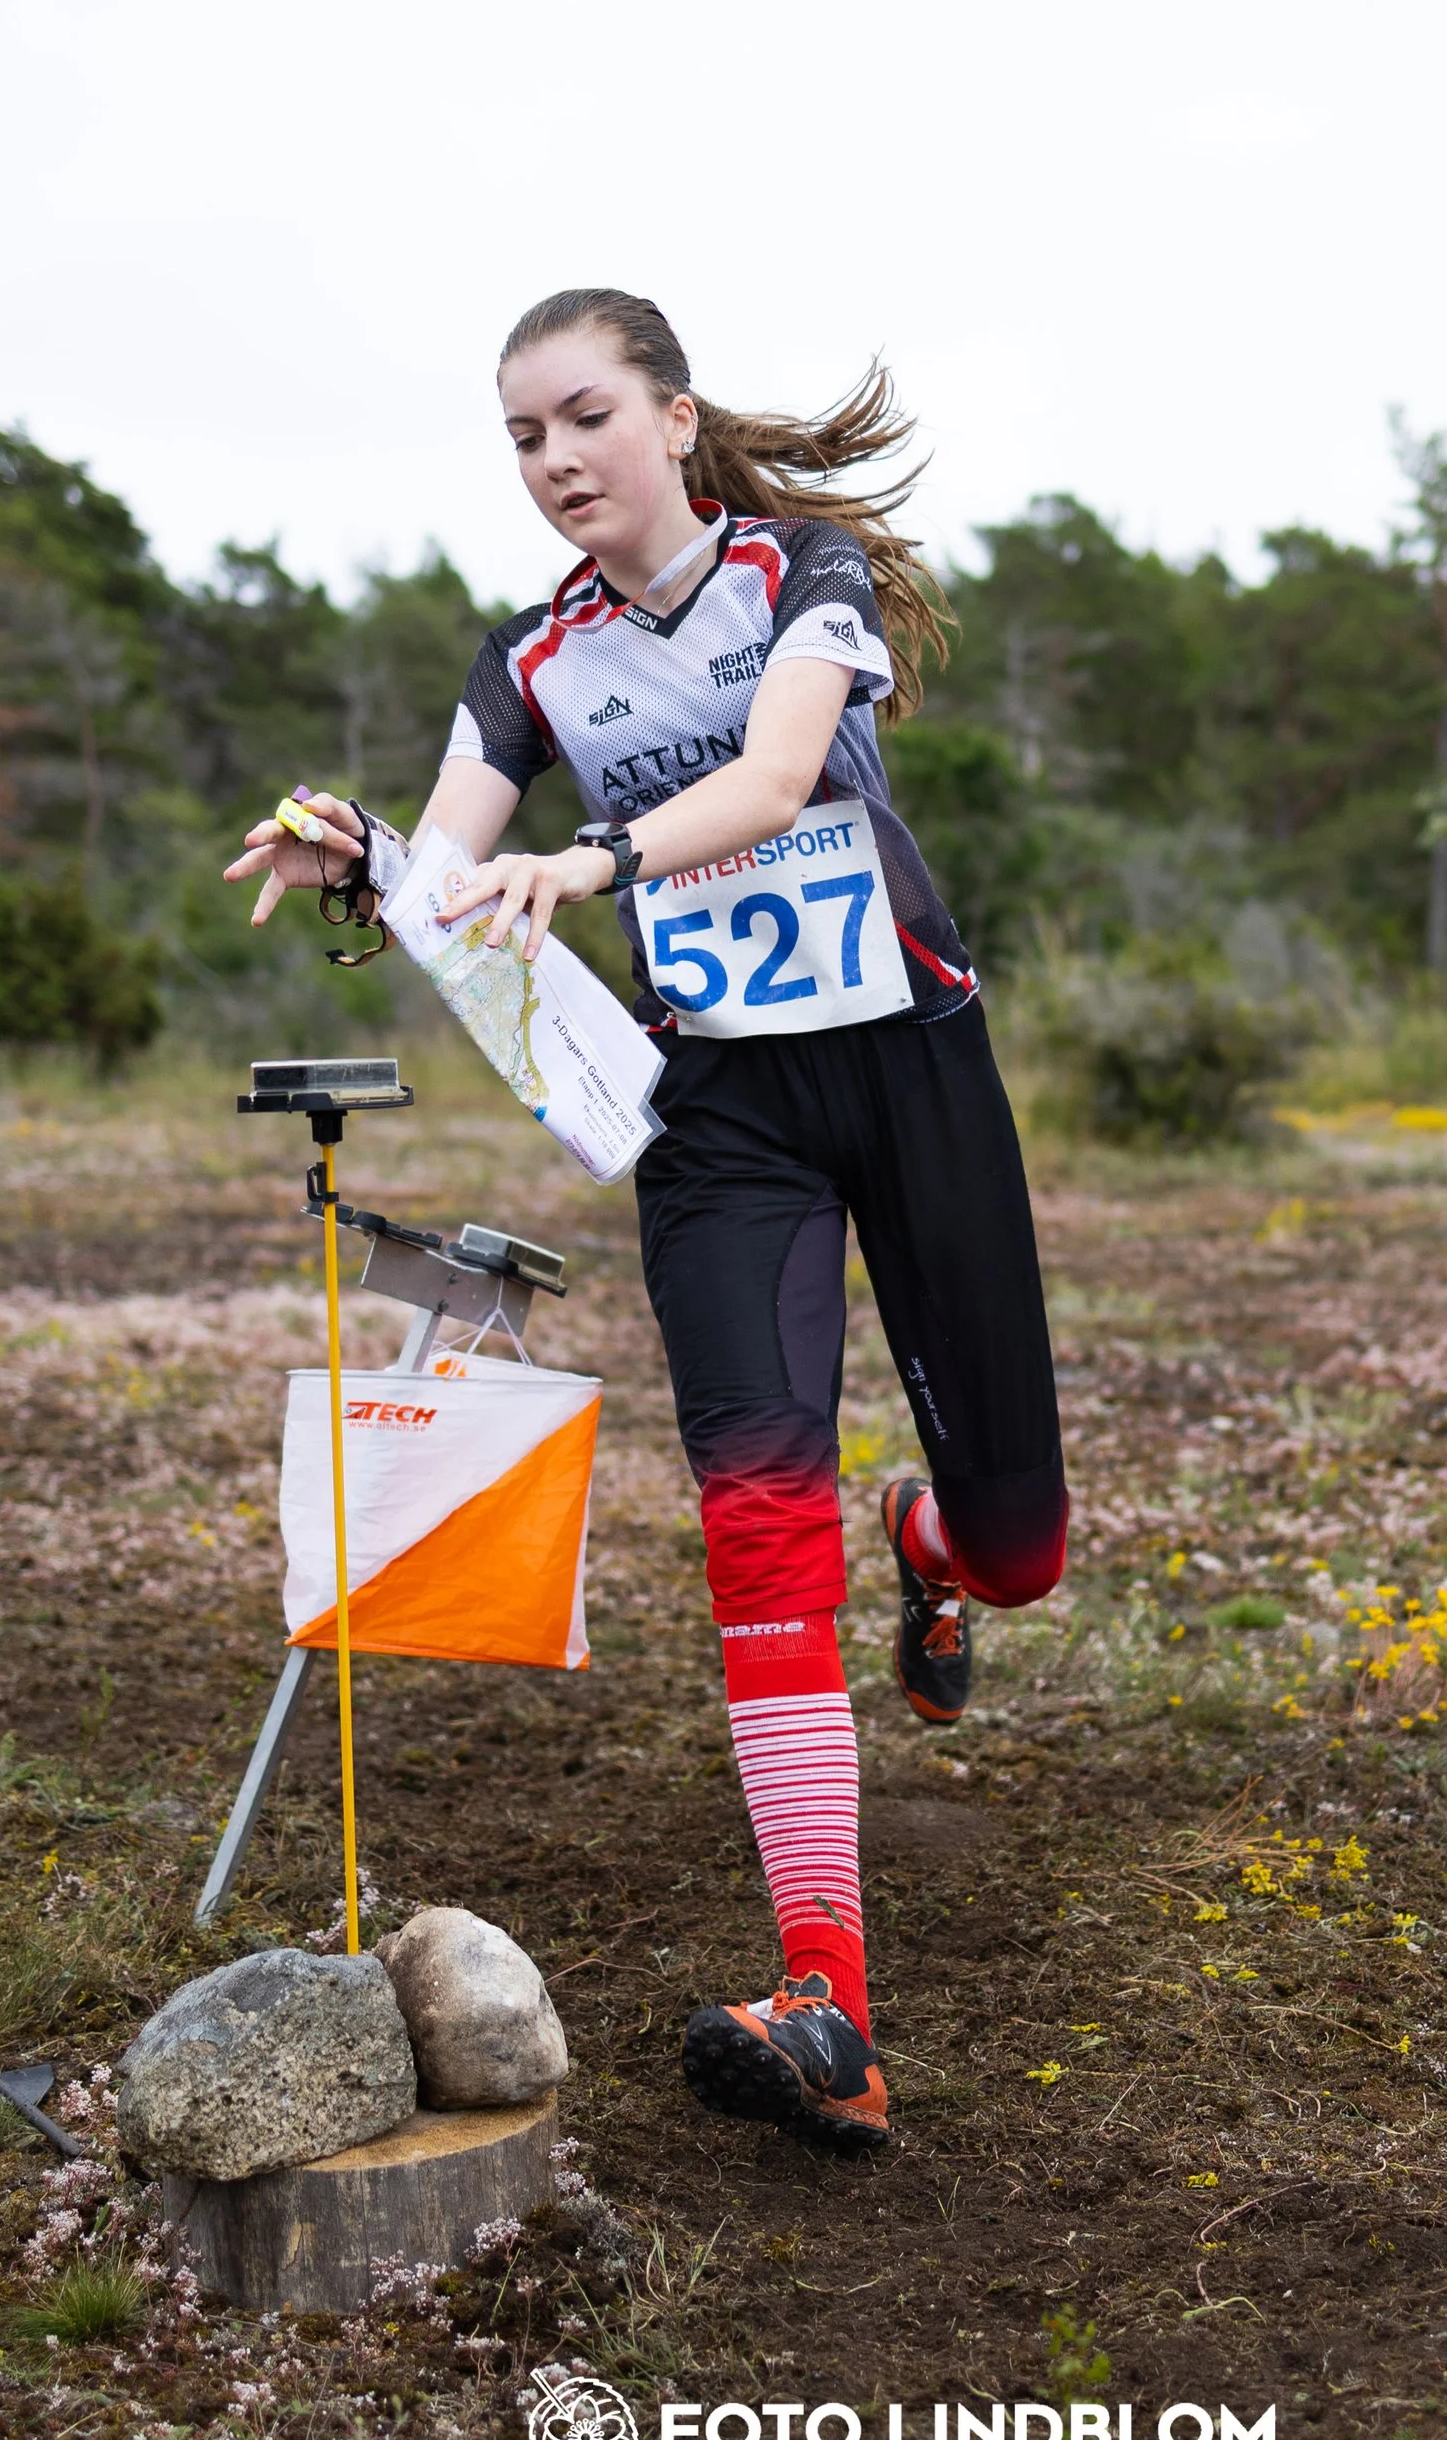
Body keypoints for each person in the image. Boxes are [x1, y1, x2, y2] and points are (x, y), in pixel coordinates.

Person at [226, 288, 1067, 2153]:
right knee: (759, 1521)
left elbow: (773, 782)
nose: (553, 462)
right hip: (723, 1124)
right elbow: (454, 883)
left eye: (583, 417)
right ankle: (828, 1998)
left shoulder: (799, 571)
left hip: (911, 1071)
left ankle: (934, 1544)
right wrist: (365, 853)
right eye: (521, 438)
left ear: (674, 420)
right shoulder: (528, 661)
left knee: (1023, 1546)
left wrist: (593, 857)